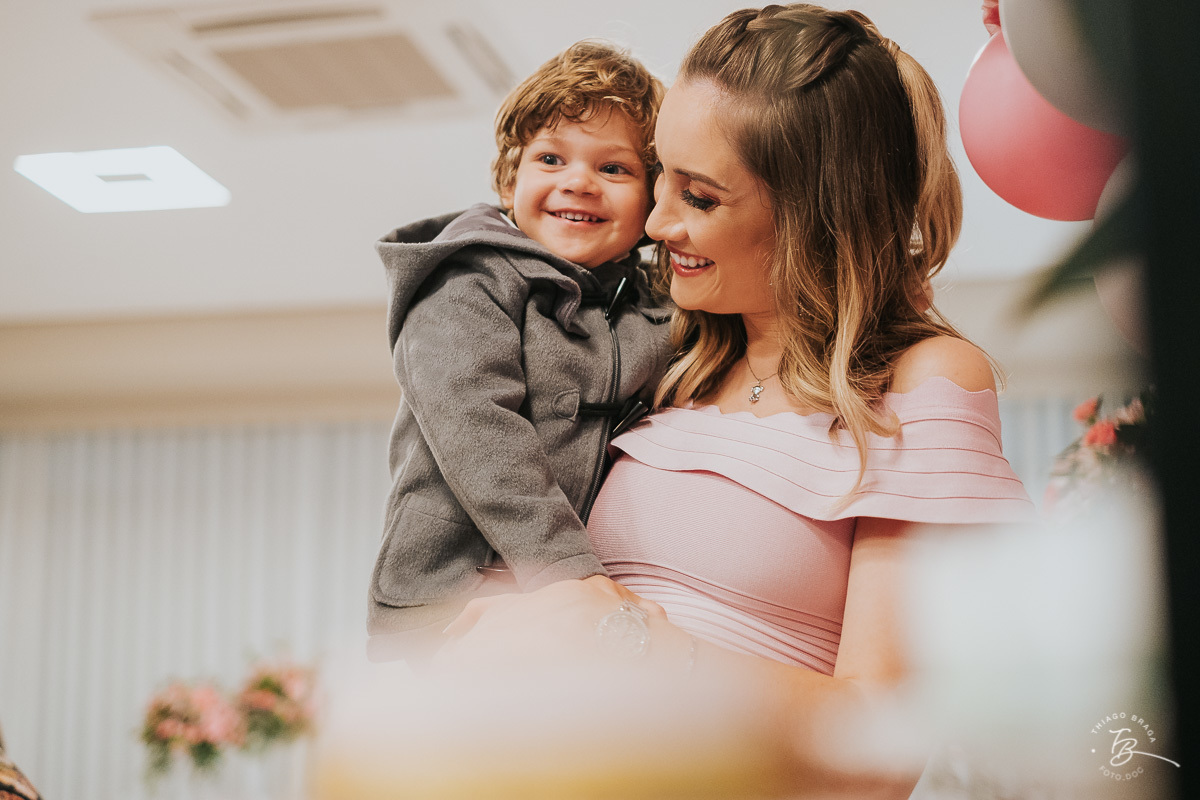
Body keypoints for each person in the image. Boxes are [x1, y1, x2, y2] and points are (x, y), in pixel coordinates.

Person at [439, 4, 1035, 794]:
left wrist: (625, 640)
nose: (655, 222)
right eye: (660, 178)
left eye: (701, 197)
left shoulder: (923, 380)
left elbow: (883, 743)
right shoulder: (666, 360)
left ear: (816, 214)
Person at [366, 41, 671, 659]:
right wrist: (569, 575)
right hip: (447, 604)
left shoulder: (654, 309)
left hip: (565, 606)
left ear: (652, 202)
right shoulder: (467, 282)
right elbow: (478, 430)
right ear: (511, 181)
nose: (579, 182)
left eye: (614, 169)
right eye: (551, 158)